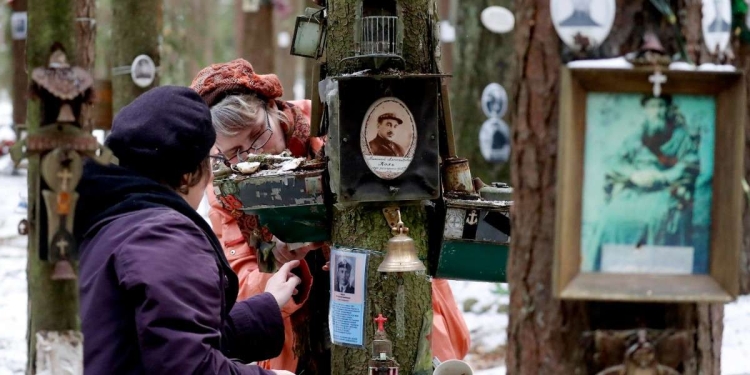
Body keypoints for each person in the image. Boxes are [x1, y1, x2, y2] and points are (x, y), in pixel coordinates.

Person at [191, 59, 471, 372]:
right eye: (234, 151)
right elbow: (240, 280)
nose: (251, 154)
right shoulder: (225, 190)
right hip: (303, 340)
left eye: (257, 134)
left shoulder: (333, 125)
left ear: (272, 107)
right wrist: (281, 259)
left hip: (390, 295)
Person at [75, 86, 298, 375]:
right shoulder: (164, 237)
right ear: (188, 174)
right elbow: (187, 366)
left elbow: (168, 336)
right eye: (212, 160)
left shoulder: (116, 224)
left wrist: (266, 306)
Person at [587, 94, 701, 271]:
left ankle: (652, 270)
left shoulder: (681, 137)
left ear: (668, 109)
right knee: (610, 217)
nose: (658, 111)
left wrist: (661, 176)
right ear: (645, 110)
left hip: (665, 189)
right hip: (635, 189)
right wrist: (633, 175)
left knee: (656, 218)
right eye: (653, 106)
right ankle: (606, 270)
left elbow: (690, 163)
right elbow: (617, 162)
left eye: (662, 106)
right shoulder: (635, 138)